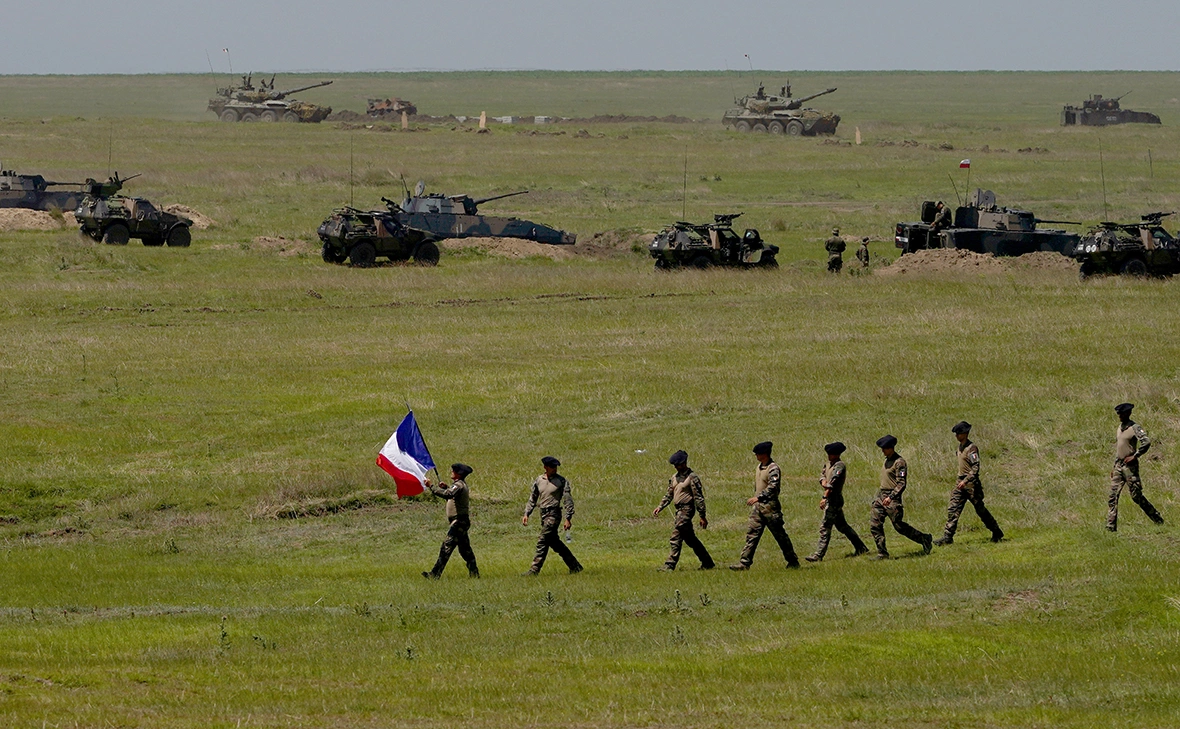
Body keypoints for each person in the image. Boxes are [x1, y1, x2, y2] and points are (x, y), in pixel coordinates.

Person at [730, 441, 800, 570]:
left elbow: (773, 487)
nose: (756, 456)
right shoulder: (759, 467)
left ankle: (793, 561)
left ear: (765, 454)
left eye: (758, 454)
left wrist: (758, 497)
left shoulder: (773, 468)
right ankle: (744, 562)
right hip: (758, 508)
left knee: (780, 536)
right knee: (752, 534)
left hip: (770, 508)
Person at [934, 422, 1004, 546]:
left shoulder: (971, 448)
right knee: (953, 509)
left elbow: (975, 468)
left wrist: (965, 481)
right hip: (959, 482)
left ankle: (996, 531)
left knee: (980, 510)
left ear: (965, 434)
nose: (956, 436)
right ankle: (947, 537)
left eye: (959, 433)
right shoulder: (960, 447)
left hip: (971, 485)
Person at [870, 435, 933, 559]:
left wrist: (892, 497)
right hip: (881, 496)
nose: (882, 450)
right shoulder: (887, 460)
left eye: (885, 448)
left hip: (892, 499)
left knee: (899, 526)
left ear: (891, 448)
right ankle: (882, 552)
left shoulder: (900, 462)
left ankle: (924, 538)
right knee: (875, 525)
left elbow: (901, 483)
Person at [805, 442, 869, 562]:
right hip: (831, 499)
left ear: (838, 454)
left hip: (834, 500)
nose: (830, 456)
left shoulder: (840, 466)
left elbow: (833, 483)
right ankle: (861, 547)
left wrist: (824, 497)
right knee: (842, 526)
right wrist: (823, 482)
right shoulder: (828, 464)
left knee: (825, 527)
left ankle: (818, 555)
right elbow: (822, 475)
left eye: (832, 454)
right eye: (829, 454)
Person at [652, 450, 714, 570]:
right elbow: (669, 494)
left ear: (684, 463)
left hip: (687, 509)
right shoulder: (674, 477)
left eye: (678, 465)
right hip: (678, 510)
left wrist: (702, 515)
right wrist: (660, 506)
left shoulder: (692, 477)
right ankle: (707, 562)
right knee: (690, 539)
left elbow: (699, 497)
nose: (676, 467)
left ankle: (670, 564)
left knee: (676, 535)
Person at [1108, 403, 1164, 531]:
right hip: (1119, 466)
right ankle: (1110, 527)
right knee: (1112, 496)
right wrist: (1114, 467)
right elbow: (1119, 449)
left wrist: (1136, 455)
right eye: (1119, 414)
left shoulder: (1134, 427)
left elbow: (1146, 442)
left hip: (1130, 467)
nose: (1120, 416)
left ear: (1128, 413)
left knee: (1136, 496)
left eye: (1122, 414)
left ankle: (1156, 518)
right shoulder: (1120, 427)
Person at [522, 456, 583, 574]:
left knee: (543, 540)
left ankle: (534, 570)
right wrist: (526, 513)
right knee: (555, 543)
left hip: (554, 514)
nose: (555, 469)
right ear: (546, 467)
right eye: (552, 467)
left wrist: (568, 518)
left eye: (556, 467)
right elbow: (533, 498)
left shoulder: (561, 481)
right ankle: (575, 566)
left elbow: (567, 500)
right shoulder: (539, 480)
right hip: (543, 514)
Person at [422, 464, 479, 579]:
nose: (452, 472)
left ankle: (435, 574)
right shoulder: (459, 485)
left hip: (458, 522)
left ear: (459, 474)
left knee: (446, 547)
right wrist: (445, 487)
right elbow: (451, 493)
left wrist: (431, 486)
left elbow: (448, 494)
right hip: (461, 522)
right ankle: (474, 574)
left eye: (454, 471)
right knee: (465, 550)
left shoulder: (458, 485)